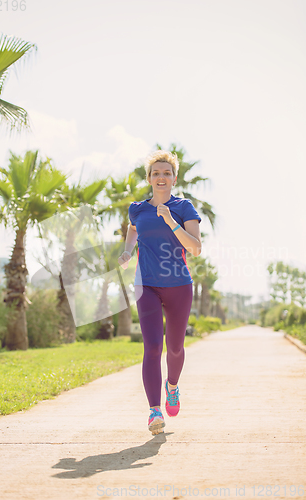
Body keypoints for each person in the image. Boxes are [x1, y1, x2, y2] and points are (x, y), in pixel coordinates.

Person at [118, 150, 202, 435]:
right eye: (156, 173)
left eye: (167, 173)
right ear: (149, 178)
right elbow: (133, 229)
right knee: (153, 347)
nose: (161, 177)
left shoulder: (183, 207)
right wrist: (128, 250)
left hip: (179, 285)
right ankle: (155, 411)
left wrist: (170, 221)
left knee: (175, 347)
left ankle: (173, 387)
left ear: (174, 178)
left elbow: (195, 247)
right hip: (147, 285)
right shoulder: (137, 209)